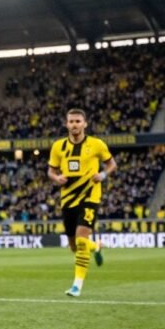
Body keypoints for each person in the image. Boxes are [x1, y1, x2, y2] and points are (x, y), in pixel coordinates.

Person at [48, 108, 118, 297]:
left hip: (89, 197)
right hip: (68, 200)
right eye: (71, 121)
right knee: (74, 246)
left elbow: (112, 164)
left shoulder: (96, 144)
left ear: (85, 123)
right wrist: (57, 178)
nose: (74, 125)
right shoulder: (58, 147)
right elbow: (51, 171)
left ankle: (77, 285)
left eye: (78, 121)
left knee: (80, 240)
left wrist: (102, 174)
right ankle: (96, 247)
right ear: (66, 124)